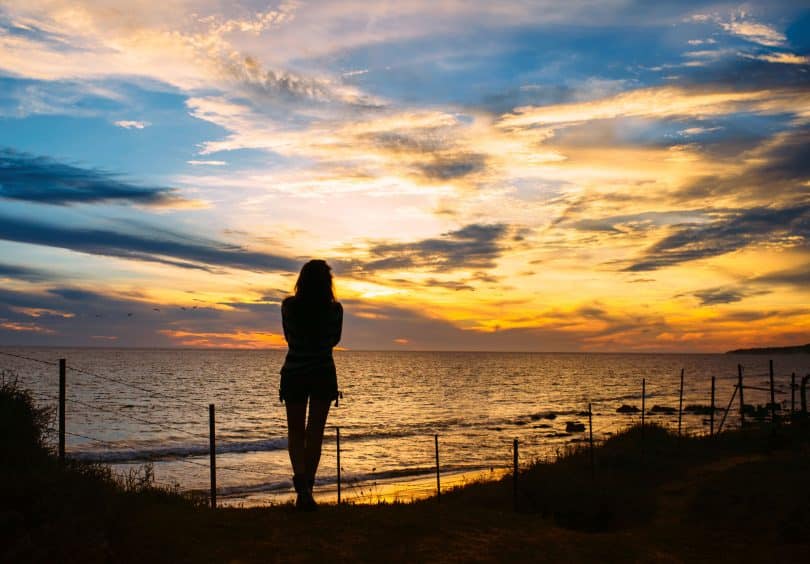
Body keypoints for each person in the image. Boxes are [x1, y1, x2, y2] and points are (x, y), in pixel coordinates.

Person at [279, 259, 342, 510]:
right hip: (322, 373)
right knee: (314, 433)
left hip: (294, 372)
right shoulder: (334, 311)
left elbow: (288, 338)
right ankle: (307, 489)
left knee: (296, 433)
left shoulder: (289, 308)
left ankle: (302, 489)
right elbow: (335, 340)